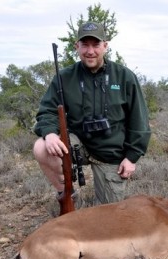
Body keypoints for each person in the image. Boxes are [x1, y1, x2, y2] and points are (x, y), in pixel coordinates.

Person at [33, 21, 151, 206]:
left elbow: (140, 121)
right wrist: (49, 133)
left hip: (111, 153)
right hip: (77, 145)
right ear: (76, 46)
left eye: (95, 45)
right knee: (41, 147)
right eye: (85, 45)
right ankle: (67, 195)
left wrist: (131, 157)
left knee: (108, 217)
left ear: (105, 45)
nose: (90, 51)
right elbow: (47, 111)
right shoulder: (64, 77)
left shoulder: (124, 76)